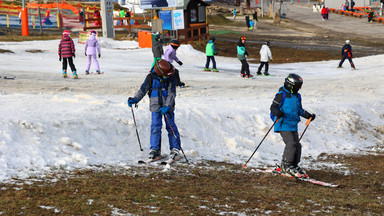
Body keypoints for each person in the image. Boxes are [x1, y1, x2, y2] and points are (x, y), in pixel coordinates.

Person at [127, 59, 181, 160]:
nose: (167, 76)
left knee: (171, 127)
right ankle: (155, 149)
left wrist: (168, 106)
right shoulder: (150, 77)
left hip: (167, 107)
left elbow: (172, 93)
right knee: (155, 127)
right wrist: (135, 99)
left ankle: (175, 148)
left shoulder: (170, 78)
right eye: (165, 75)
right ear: (159, 72)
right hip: (155, 106)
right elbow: (143, 90)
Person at [270, 73, 316, 178]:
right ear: (291, 85)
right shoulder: (281, 94)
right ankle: (286, 165)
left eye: (300, 86)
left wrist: (308, 116)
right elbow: (273, 107)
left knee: (297, 145)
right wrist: (277, 113)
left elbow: (299, 110)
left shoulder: (297, 96)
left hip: (293, 125)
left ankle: (294, 165)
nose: (299, 88)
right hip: (282, 124)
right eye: (297, 86)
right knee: (290, 144)